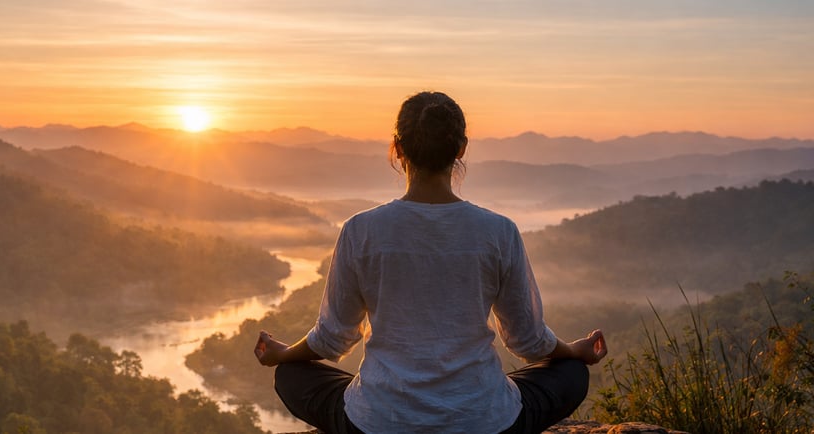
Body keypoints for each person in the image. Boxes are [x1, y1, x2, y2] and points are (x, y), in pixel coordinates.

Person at [253, 91, 608, 434]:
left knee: (291, 375)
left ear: (397, 148)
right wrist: (574, 350)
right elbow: (529, 343)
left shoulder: (361, 230)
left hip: (380, 422)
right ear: (461, 148)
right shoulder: (499, 231)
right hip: (484, 422)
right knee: (572, 374)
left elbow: (332, 340)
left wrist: (282, 354)